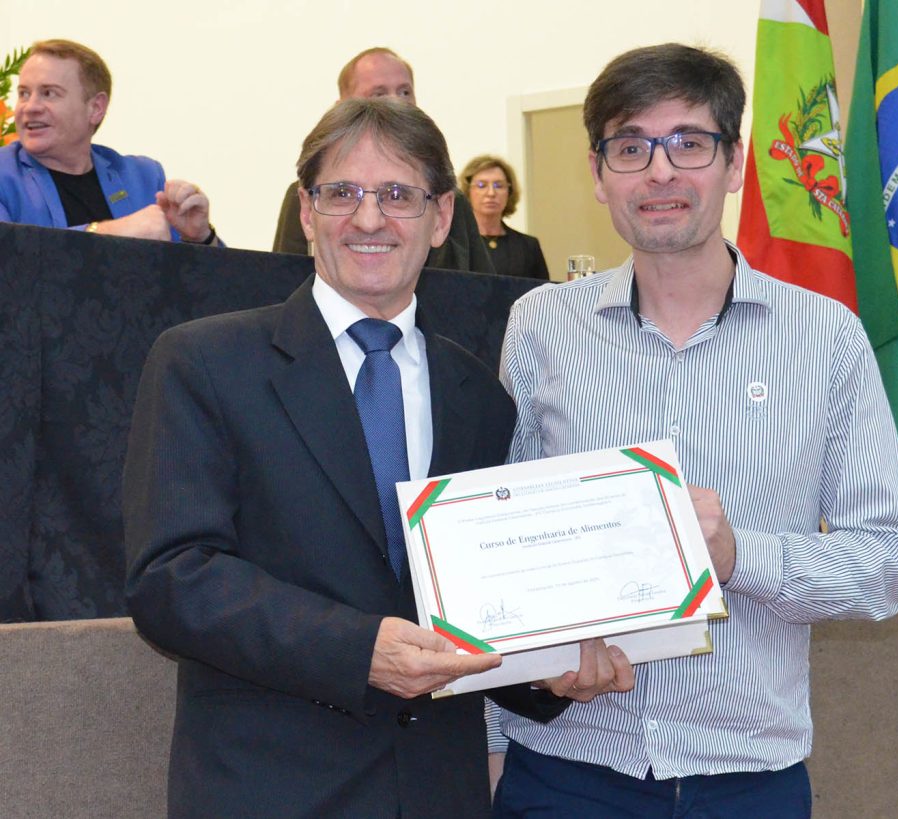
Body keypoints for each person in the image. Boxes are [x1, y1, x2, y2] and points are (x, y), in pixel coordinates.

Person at [123, 97, 632, 818]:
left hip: (438, 793)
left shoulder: (479, 397)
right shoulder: (205, 362)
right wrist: (358, 649)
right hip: (269, 791)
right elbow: (172, 580)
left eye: (397, 194)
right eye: (342, 193)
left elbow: (480, 597)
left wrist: (546, 672)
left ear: (441, 216)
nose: (369, 219)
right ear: (307, 212)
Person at [490, 43, 898, 817]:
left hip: (748, 777)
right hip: (565, 771)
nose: (660, 171)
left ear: (733, 164)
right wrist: (495, 744)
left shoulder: (825, 337)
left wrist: (737, 556)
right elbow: (499, 556)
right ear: (598, 174)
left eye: (689, 143)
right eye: (631, 147)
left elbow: (890, 563)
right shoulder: (540, 326)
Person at [272, 46, 494, 275]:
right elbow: (286, 280)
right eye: (379, 94)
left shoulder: (447, 198)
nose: (396, 102)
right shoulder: (313, 195)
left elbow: (480, 286)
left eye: (404, 92)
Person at [0, 39, 219, 244]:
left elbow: (196, 271)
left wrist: (200, 238)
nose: (30, 107)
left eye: (49, 93)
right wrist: (108, 232)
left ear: (96, 108)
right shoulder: (5, 175)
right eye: (24, 93)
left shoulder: (143, 177)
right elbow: (9, 257)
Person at [460, 155, 548, 280]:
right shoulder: (456, 244)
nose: (491, 193)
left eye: (499, 185)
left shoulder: (528, 246)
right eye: (481, 185)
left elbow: (543, 291)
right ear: (467, 191)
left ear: (509, 192)